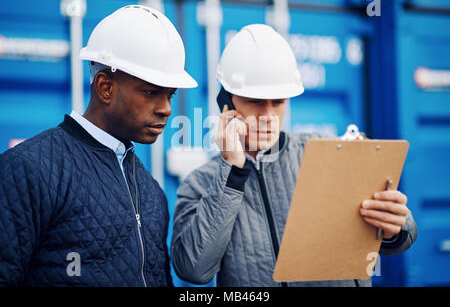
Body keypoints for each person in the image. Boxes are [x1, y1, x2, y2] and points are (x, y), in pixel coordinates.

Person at [171, 24, 417, 287]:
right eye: (255, 101)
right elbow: (193, 270)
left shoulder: (328, 152)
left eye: (278, 102)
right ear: (227, 103)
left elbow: (403, 233)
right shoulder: (200, 183)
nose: (268, 116)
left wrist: (393, 229)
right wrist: (232, 171)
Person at [0, 5, 197, 286]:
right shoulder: (26, 169)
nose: (166, 108)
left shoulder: (150, 190)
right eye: (152, 92)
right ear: (105, 87)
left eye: (170, 95)